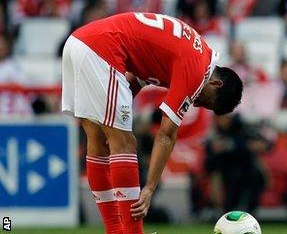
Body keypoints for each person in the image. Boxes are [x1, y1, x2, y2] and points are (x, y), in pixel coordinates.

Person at [61, 12, 243, 233]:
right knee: (125, 143)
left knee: (98, 140)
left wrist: (117, 115)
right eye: (205, 101)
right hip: (100, 50)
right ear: (216, 83)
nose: (197, 104)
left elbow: (135, 79)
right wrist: (149, 188)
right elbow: (166, 134)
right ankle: (131, 231)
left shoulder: (195, 50)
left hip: (79, 42)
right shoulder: (197, 70)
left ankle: (115, 230)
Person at [204, 113, 268, 214]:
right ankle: (228, 214)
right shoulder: (214, 134)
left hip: (246, 168)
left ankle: (250, 213)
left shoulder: (241, 128)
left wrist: (235, 146)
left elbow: (262, 144)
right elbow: (211, 159)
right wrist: (244, 146)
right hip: (224, 170)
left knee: (256, 177)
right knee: (233, 181)